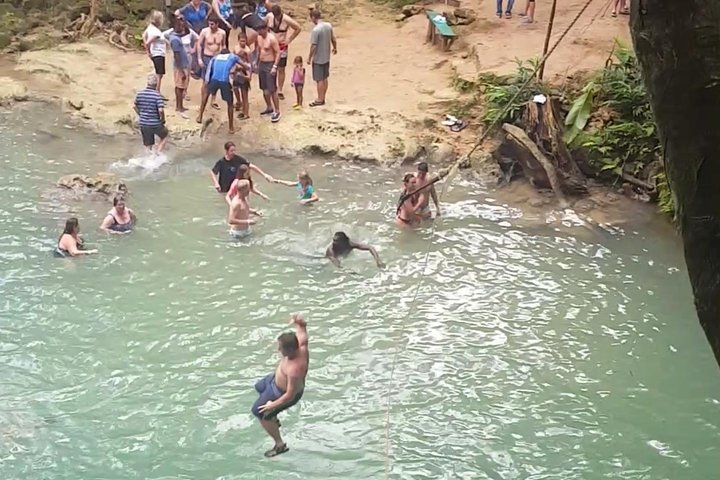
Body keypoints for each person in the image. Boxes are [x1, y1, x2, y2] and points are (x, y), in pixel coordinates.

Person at [252, 313, 309, 458]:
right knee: (258, 386)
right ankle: (273, 416)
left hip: (282, 393)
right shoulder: (301, 344)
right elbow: (302, 328)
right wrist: (299, 322)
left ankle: (279, 444)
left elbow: (290, 395)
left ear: (290, 350)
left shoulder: (295, 369)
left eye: (281, 348)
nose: (278, 350)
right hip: (273, 381)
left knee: (259, 412)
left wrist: (272, 406)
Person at [197, 48, 248, 133]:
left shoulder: (215, 57)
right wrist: (246, 67)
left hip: (213, 79)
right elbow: (245, 66)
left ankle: (200, 116)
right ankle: (231, 128)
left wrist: (206, 82)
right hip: (224, 81)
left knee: (206, 96)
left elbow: (209, 70)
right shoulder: (233, 57)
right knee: (230, 103)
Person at [265, 5, 302, 100]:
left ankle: (280, 89)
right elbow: (263, 26)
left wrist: (289, 40)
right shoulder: (269, 16)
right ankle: (272, 86)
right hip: (271, 44)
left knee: (281, 68)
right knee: (271, 66)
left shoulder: (286, 19)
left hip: (282, 45)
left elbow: (298, 28)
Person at [307, 9, 337, 107]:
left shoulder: (316, 30)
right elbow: (333, 38)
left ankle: (319, 99)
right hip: (326, 56)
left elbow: (314, 46)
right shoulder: (328, 25)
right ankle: (323, 96)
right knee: (325, 78)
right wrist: (335, 47)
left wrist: (309, 57)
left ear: (313, 17)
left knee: (319, 79)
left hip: (318, 58)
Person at [197, 16, 227, 109]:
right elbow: (199, 44)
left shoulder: (222, 33)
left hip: (217, 57)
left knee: (216, 79)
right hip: (207, 57)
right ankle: (203, 100)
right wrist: (199, 58)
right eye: (209, 23)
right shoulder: (204, 31)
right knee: (205, 80)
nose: (210, 26)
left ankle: (213, 100)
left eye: (212, 24)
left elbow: (223, 45)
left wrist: (223, 56)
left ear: (217, 24)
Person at [134, 74, 169, 154]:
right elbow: (160, 110)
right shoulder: (157, 96)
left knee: (148, 144)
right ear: (156, 84)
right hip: (155, 123)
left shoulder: (140, 94)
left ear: (147, 83)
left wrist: (140, 114)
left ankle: (148, 157)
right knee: (164, 136)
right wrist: (162, 119)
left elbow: (135, 106)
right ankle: (158, 153)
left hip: (143, 123)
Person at [256, 24, 282, 123]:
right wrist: (257, 63)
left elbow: (278, 53)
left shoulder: (272, 39)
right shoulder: (259, 37)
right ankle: (269, 107)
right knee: (264, 88)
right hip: (262, 64)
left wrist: (275, 66)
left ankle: (277, 110)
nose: (259, 32)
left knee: (272, 89)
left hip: (270, 64)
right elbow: (259, 50)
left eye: (261, 30)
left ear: (266, 29)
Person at [168, 18, 190, 117]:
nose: (182, 27)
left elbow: (187, 32)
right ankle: (179, 106)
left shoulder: (175, 35)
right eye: (180, 25)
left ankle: (180, 105)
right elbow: (176, 56)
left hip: (182, 64)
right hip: (179, 66)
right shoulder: (175, 40)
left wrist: (185, 23)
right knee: (179, 86)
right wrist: (181, 70)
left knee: (181, 85)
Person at [143, 11, 167, 92]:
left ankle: (155, 91)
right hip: (158, 53)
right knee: (159, 74)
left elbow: (144, 36)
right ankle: (157, 92)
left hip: (155, 53)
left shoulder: (150, 28)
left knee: (158, 73)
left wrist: (149, 52)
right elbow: (147, 42)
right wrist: (148, 51)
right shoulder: (156, 32)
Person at [233, 34, 252, 119]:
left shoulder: (247, 51)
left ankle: (246, 113)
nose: (243, 42)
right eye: (241, 41)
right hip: (237, 72)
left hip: (243, 72)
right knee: (235, 88)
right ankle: (240, 105)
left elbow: (249, 65)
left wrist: (245, 75)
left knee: (245, 96)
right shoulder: (236, 48)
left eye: (244, 41)